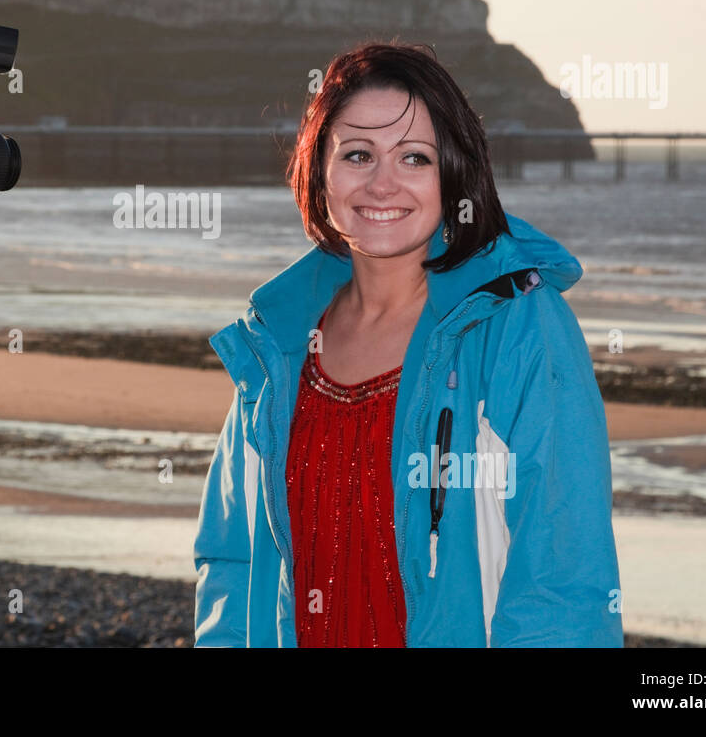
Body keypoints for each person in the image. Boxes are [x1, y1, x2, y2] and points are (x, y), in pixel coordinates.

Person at [194, 41, 623, 647]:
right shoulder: (278, 344)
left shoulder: (518, 327)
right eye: (359, 154)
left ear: (454, 170)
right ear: (319, 171)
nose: (382, 183)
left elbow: (564, 578)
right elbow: (231, 562)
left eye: (415, 158)